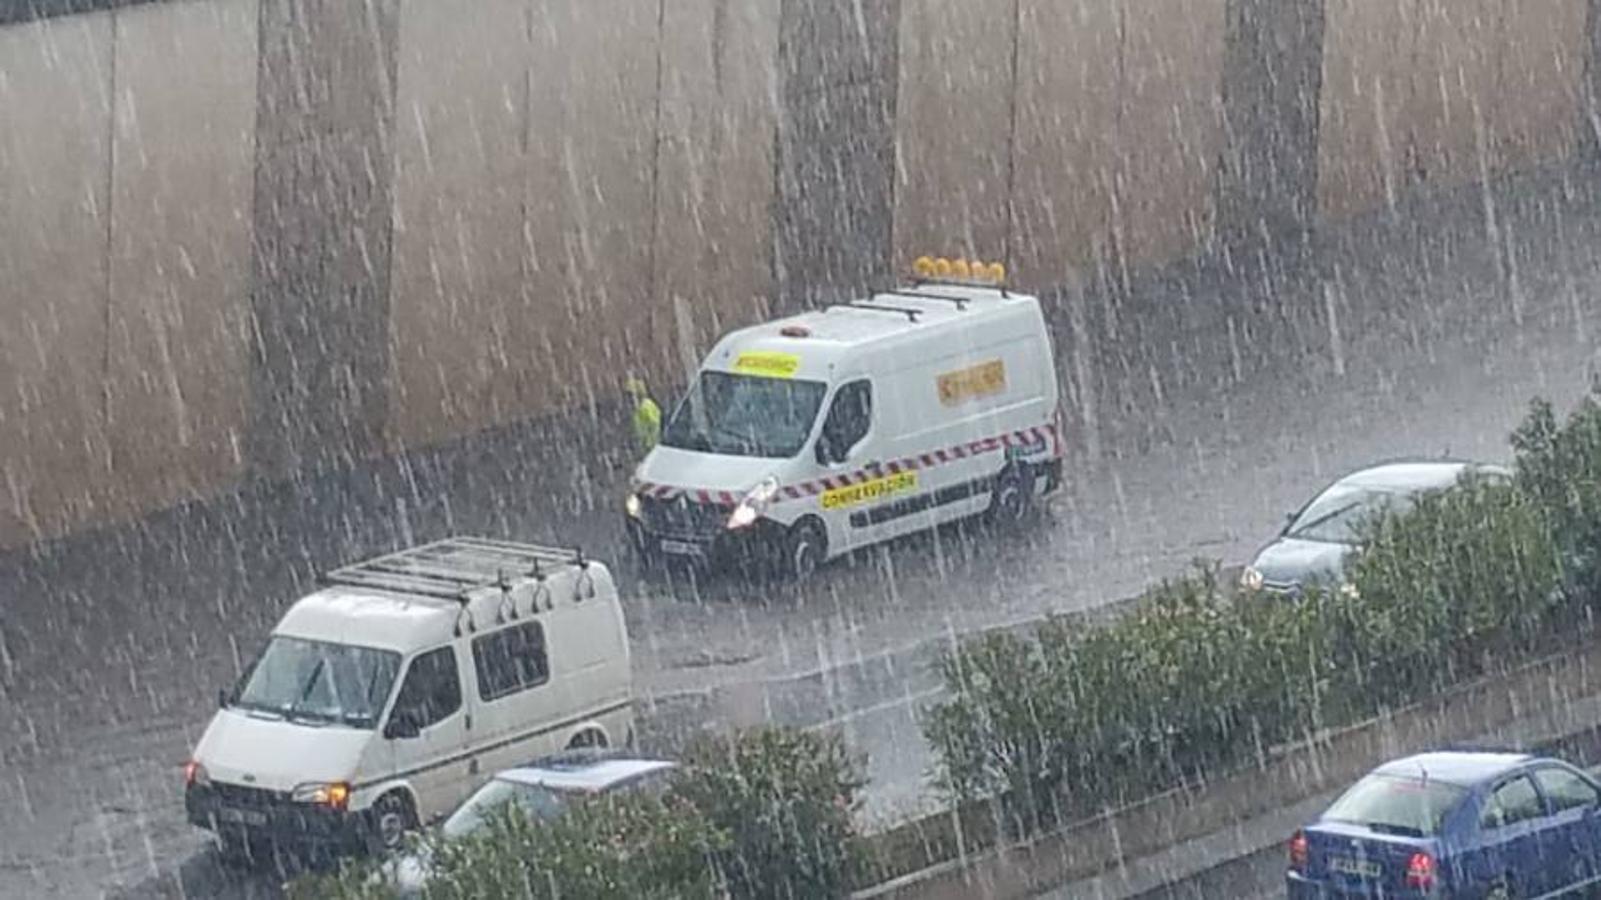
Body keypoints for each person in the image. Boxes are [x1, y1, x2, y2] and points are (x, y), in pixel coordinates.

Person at [626, 377, 661, 457]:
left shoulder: (646, 406)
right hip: (644, 446)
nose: (629, 399)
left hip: (650, 447)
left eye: (630, 395)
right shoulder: (638, 407)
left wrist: (650, 443)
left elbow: (654, 425)